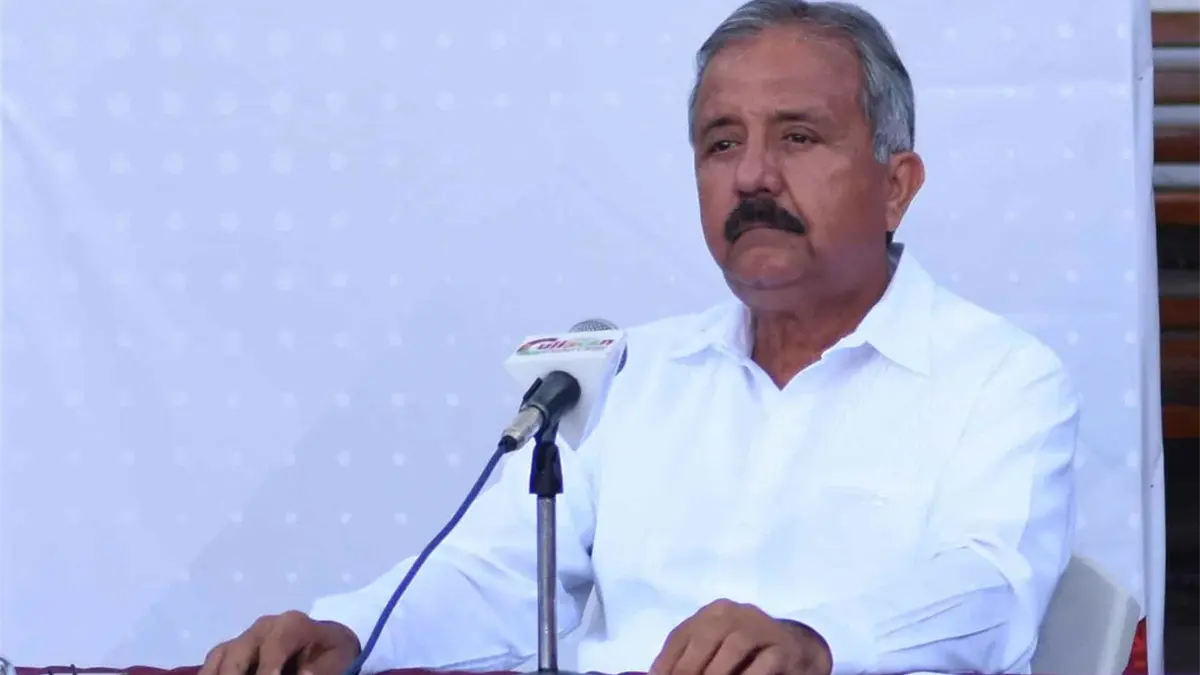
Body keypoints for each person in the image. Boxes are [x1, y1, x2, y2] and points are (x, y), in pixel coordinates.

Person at [199, 1, 1079, 674]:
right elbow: (499, 575)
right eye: (720, 144)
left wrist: (814, 643)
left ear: (897, 186)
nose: (753, 175)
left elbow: (991, 592)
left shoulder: (999, 377)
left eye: (798, 136)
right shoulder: (629, 372)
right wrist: (351, 630)